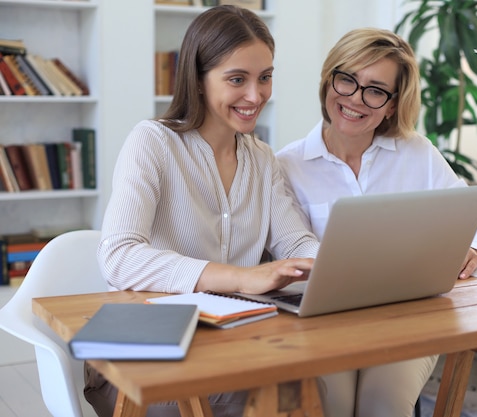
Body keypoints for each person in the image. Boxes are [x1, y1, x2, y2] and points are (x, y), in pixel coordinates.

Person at [88, 6, 319, 417]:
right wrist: (242, 278)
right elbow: (118, 255)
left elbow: (295, 240)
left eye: (265, 77)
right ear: (197, 79)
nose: (256, 95)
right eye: (237, 79)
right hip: (143, 354)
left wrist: (338, 265)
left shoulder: (263, 159)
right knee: (286, 396)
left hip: (231, 344)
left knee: (302, 385)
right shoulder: (152, 142)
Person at [276, 28, 477, 417]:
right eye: (347, 79)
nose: (355, 99)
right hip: (321, 325)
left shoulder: (416, 154)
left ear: (391, 105)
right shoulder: (287, 165)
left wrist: (475, 250)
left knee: (381, 404)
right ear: (328, 81)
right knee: (330, 404)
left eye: (375, 90)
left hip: (406, 320)